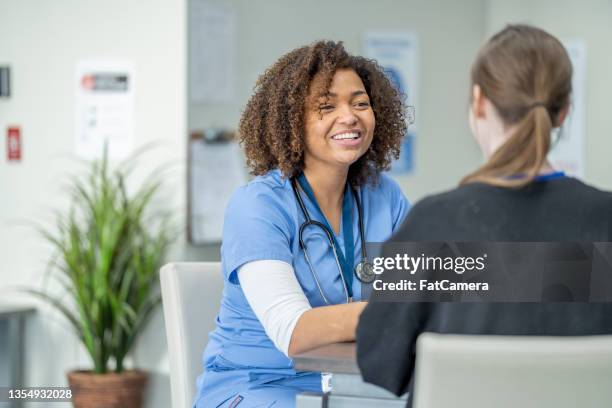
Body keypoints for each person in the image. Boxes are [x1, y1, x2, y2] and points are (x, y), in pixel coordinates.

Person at [356, 24, 612, 407]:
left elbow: (379, 362)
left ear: (478, 102)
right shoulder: (605, 220)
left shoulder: (433, 224)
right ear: (564, 113)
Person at [194, 40, 410, 408]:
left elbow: (427, 287)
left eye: (360, 103)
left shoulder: (383, 196)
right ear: (291, 121)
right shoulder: (259, 206)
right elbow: (292, 330)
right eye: (326, 107)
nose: (349, 117)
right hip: (259, 388)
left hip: (352, 387)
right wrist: (396, 312)